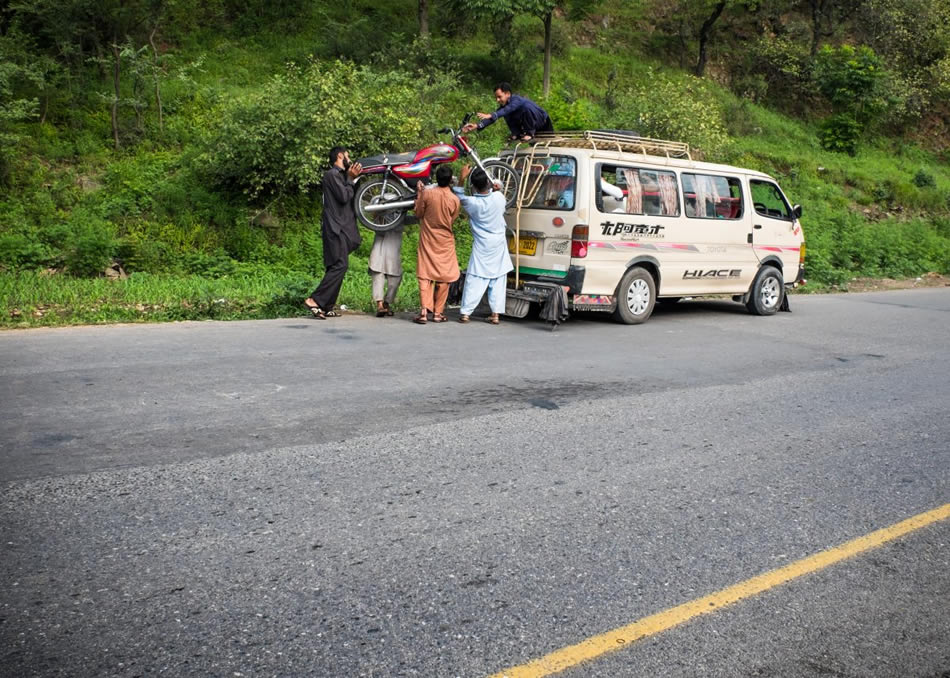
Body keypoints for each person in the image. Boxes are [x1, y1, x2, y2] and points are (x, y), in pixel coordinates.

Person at [305, 146, 362, 319]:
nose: (349, 158)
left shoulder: (341, 176)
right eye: (347, 155)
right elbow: (344, 196)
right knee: (340, 265)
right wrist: (351, 180)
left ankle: (327, 305)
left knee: (335, 265)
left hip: (341, 227)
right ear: (340, 155)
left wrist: (353, 179)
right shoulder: (331, 175)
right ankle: (314, 300)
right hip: (335, 228)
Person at [453, 165, 514, 325]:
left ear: (473, 186)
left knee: (475, 278)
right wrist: (496, 186)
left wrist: (462, 177)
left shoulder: (471, 202)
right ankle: (495, 314)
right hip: (498, 244)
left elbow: (458, 194)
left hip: (482, 244)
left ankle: (466, 313)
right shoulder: (499, 198)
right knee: (498, 278)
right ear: (489, 184)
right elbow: (499, 185)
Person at [413, 165, 461, 324]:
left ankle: (424, 311)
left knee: (425, 274)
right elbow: (451, 220)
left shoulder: (427, 194)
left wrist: (419, 194)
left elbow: (419, 213)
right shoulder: (454, 199)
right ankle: (438, 313)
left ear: (436, 179)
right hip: (445, 242)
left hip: (428, 238)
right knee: (444, 276)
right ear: (450, 180)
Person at [462, 82, 553, 141]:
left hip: (543, 123)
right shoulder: (505, 106)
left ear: (508, 94)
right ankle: (516, 133)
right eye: (496, 98)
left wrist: (491, 114)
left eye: (499, 97)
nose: (497, 100)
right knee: (505, 114)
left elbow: (508, 109)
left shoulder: (517, 100)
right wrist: (477, 125)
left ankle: (529, 133)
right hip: (532, 127)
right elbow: (495, 117)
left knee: (525, 108)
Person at [368, 225, 404, 318]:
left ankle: (386, 303)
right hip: (379, 250)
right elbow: (370, 220)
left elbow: (416, 218)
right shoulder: (379, 216)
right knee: (378, 279)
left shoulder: (401, 216)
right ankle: (379, 305)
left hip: (393, 252)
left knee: (395, 281)